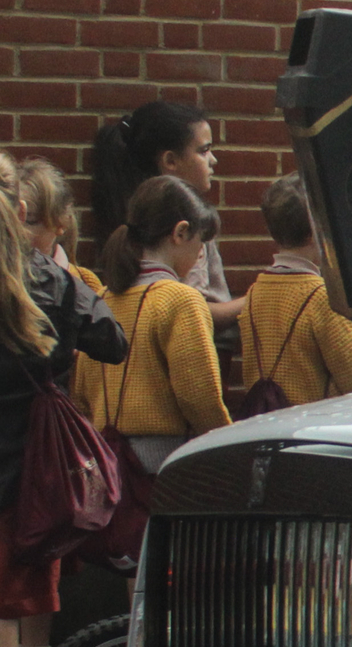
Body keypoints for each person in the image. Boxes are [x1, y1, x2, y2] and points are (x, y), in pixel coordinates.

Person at [0, 154, 125, 647]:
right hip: (21, 479)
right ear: (21, 207)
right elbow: (113, 343)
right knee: (3, 615)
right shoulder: (53, 281)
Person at [79, 177, 228, 514]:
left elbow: (81, 393)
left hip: (105, 467)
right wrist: (226, 443)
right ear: (180, 233)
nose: (200, 254)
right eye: (201, 243)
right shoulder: (180, 300)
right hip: (163, 471)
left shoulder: (99, 299)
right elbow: (198, 396)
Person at [89, 101, 238, 320]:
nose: (213, 160)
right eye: (204, 150)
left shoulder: (137, 216)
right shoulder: (184, 226)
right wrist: (256, 301)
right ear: (170, 160)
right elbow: (190, 310)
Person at [236, 174, 352, 409]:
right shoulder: (326, 298)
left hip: (265, 425)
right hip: (314, 427)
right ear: (316, 232)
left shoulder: (256, 291)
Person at [15, 157, 103, 294]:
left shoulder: (85, 283)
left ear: (61, 223)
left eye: (29, 221)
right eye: (7, 220)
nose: (16, 231)